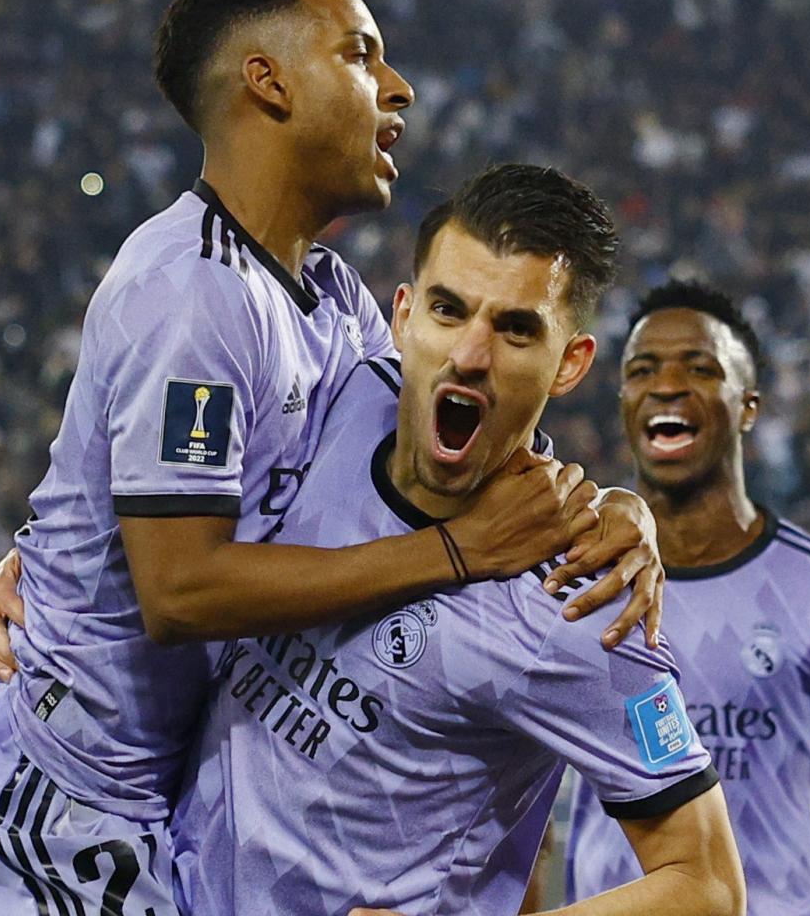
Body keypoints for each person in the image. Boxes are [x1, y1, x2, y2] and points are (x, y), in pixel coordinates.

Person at [0, 0, 663, 913]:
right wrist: (454, 553)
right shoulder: (192, 292)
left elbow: (442, 434)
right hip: (56, 796)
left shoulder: (332, 296)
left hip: (140, 805)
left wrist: (617, 508)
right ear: (267, 82)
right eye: (361, 55)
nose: (398, 88)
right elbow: (180, 592)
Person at [172, 165, 743, 915]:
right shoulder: (331, 402)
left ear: (570, 363)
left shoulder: (579, 601)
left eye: (516, 329)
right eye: (449, 310)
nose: (470, 354)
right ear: (404, 315)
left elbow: (707, 885)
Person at [557, 280, 810, 915]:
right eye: (643, 370)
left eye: (699, 368)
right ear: (624, 401)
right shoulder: (569, 583)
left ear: (748, 406)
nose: (667, 385)